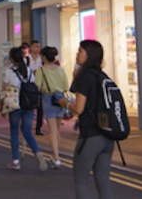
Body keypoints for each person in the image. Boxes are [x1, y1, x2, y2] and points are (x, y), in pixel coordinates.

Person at [58, 40, 113, 199]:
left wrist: (65, 103)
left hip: (90, 135)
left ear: (89, 55)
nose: (77, 54)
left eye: (80, 51)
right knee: (103, 182)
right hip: (107, 134)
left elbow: (79, 108)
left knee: (81, 181)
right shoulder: (102, 76)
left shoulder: (85, 77)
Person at [2, 46, 49, 171]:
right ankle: (38, 153)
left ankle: (15, 161)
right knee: (27, 132)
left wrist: (3, 107)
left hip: (14, 104)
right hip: (28, 104)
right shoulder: (28, 70)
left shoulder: (9, 72)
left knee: (14, 131)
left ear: (12, 59)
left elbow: (5, 89)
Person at [36, 46, 70, 168]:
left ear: (44, 57)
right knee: (57, 129)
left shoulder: (41, 70)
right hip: (60, 98)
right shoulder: (60, 70)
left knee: (52, 130)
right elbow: (66, 86)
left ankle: (56, 158)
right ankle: (54, 155)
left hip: (48, 98)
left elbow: (38, 87)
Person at [28, 40, 44, 135]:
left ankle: (38, 128)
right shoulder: (27, 59)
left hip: (39, 85)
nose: (37, 48)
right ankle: (27, 126)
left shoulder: (41, 59)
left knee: (40, 108)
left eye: (39, 46)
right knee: (29, 107)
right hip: (30, 85)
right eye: (35, 46)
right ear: (31, 47)